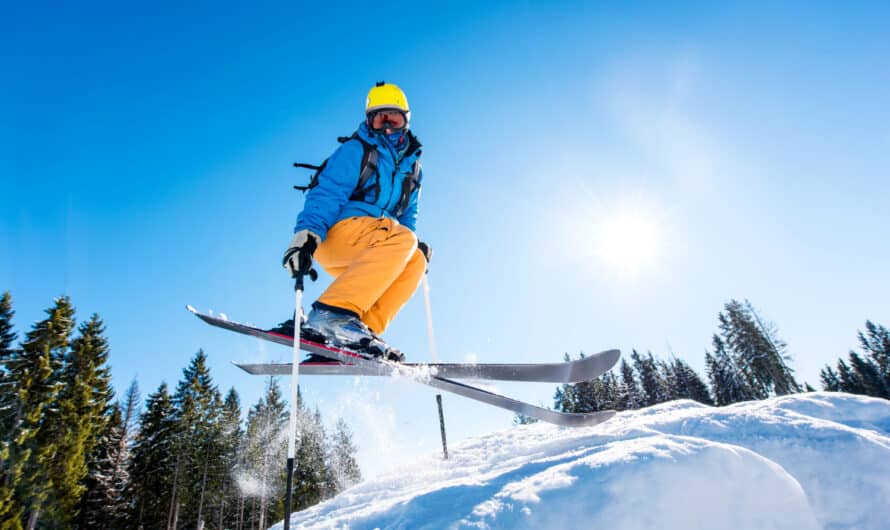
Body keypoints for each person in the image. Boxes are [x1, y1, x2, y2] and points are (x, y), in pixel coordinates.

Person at [278, 82, 431, 360]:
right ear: (368, 121)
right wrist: (307, 234)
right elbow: (327, 191)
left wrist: (410, 249)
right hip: (338, 235)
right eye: (378, 119)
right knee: (404, 239)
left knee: (416, 259)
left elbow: (409, 217)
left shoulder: (414, 169)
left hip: (377, 244)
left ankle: (358, 331)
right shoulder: (357, 150)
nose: (386, 128)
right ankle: (331, 315)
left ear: (405, 121)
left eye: (392, 119)